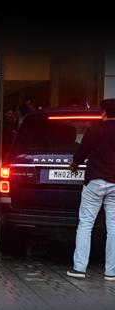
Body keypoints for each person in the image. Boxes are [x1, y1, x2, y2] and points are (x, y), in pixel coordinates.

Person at [66, 99, 115, 281]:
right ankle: (111, 272)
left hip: (95, 181)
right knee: (114, 227)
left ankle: (79, 269)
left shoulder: (95, 130)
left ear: (103, 112)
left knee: (86, 224)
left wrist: (75, 163)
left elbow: (82, 151)